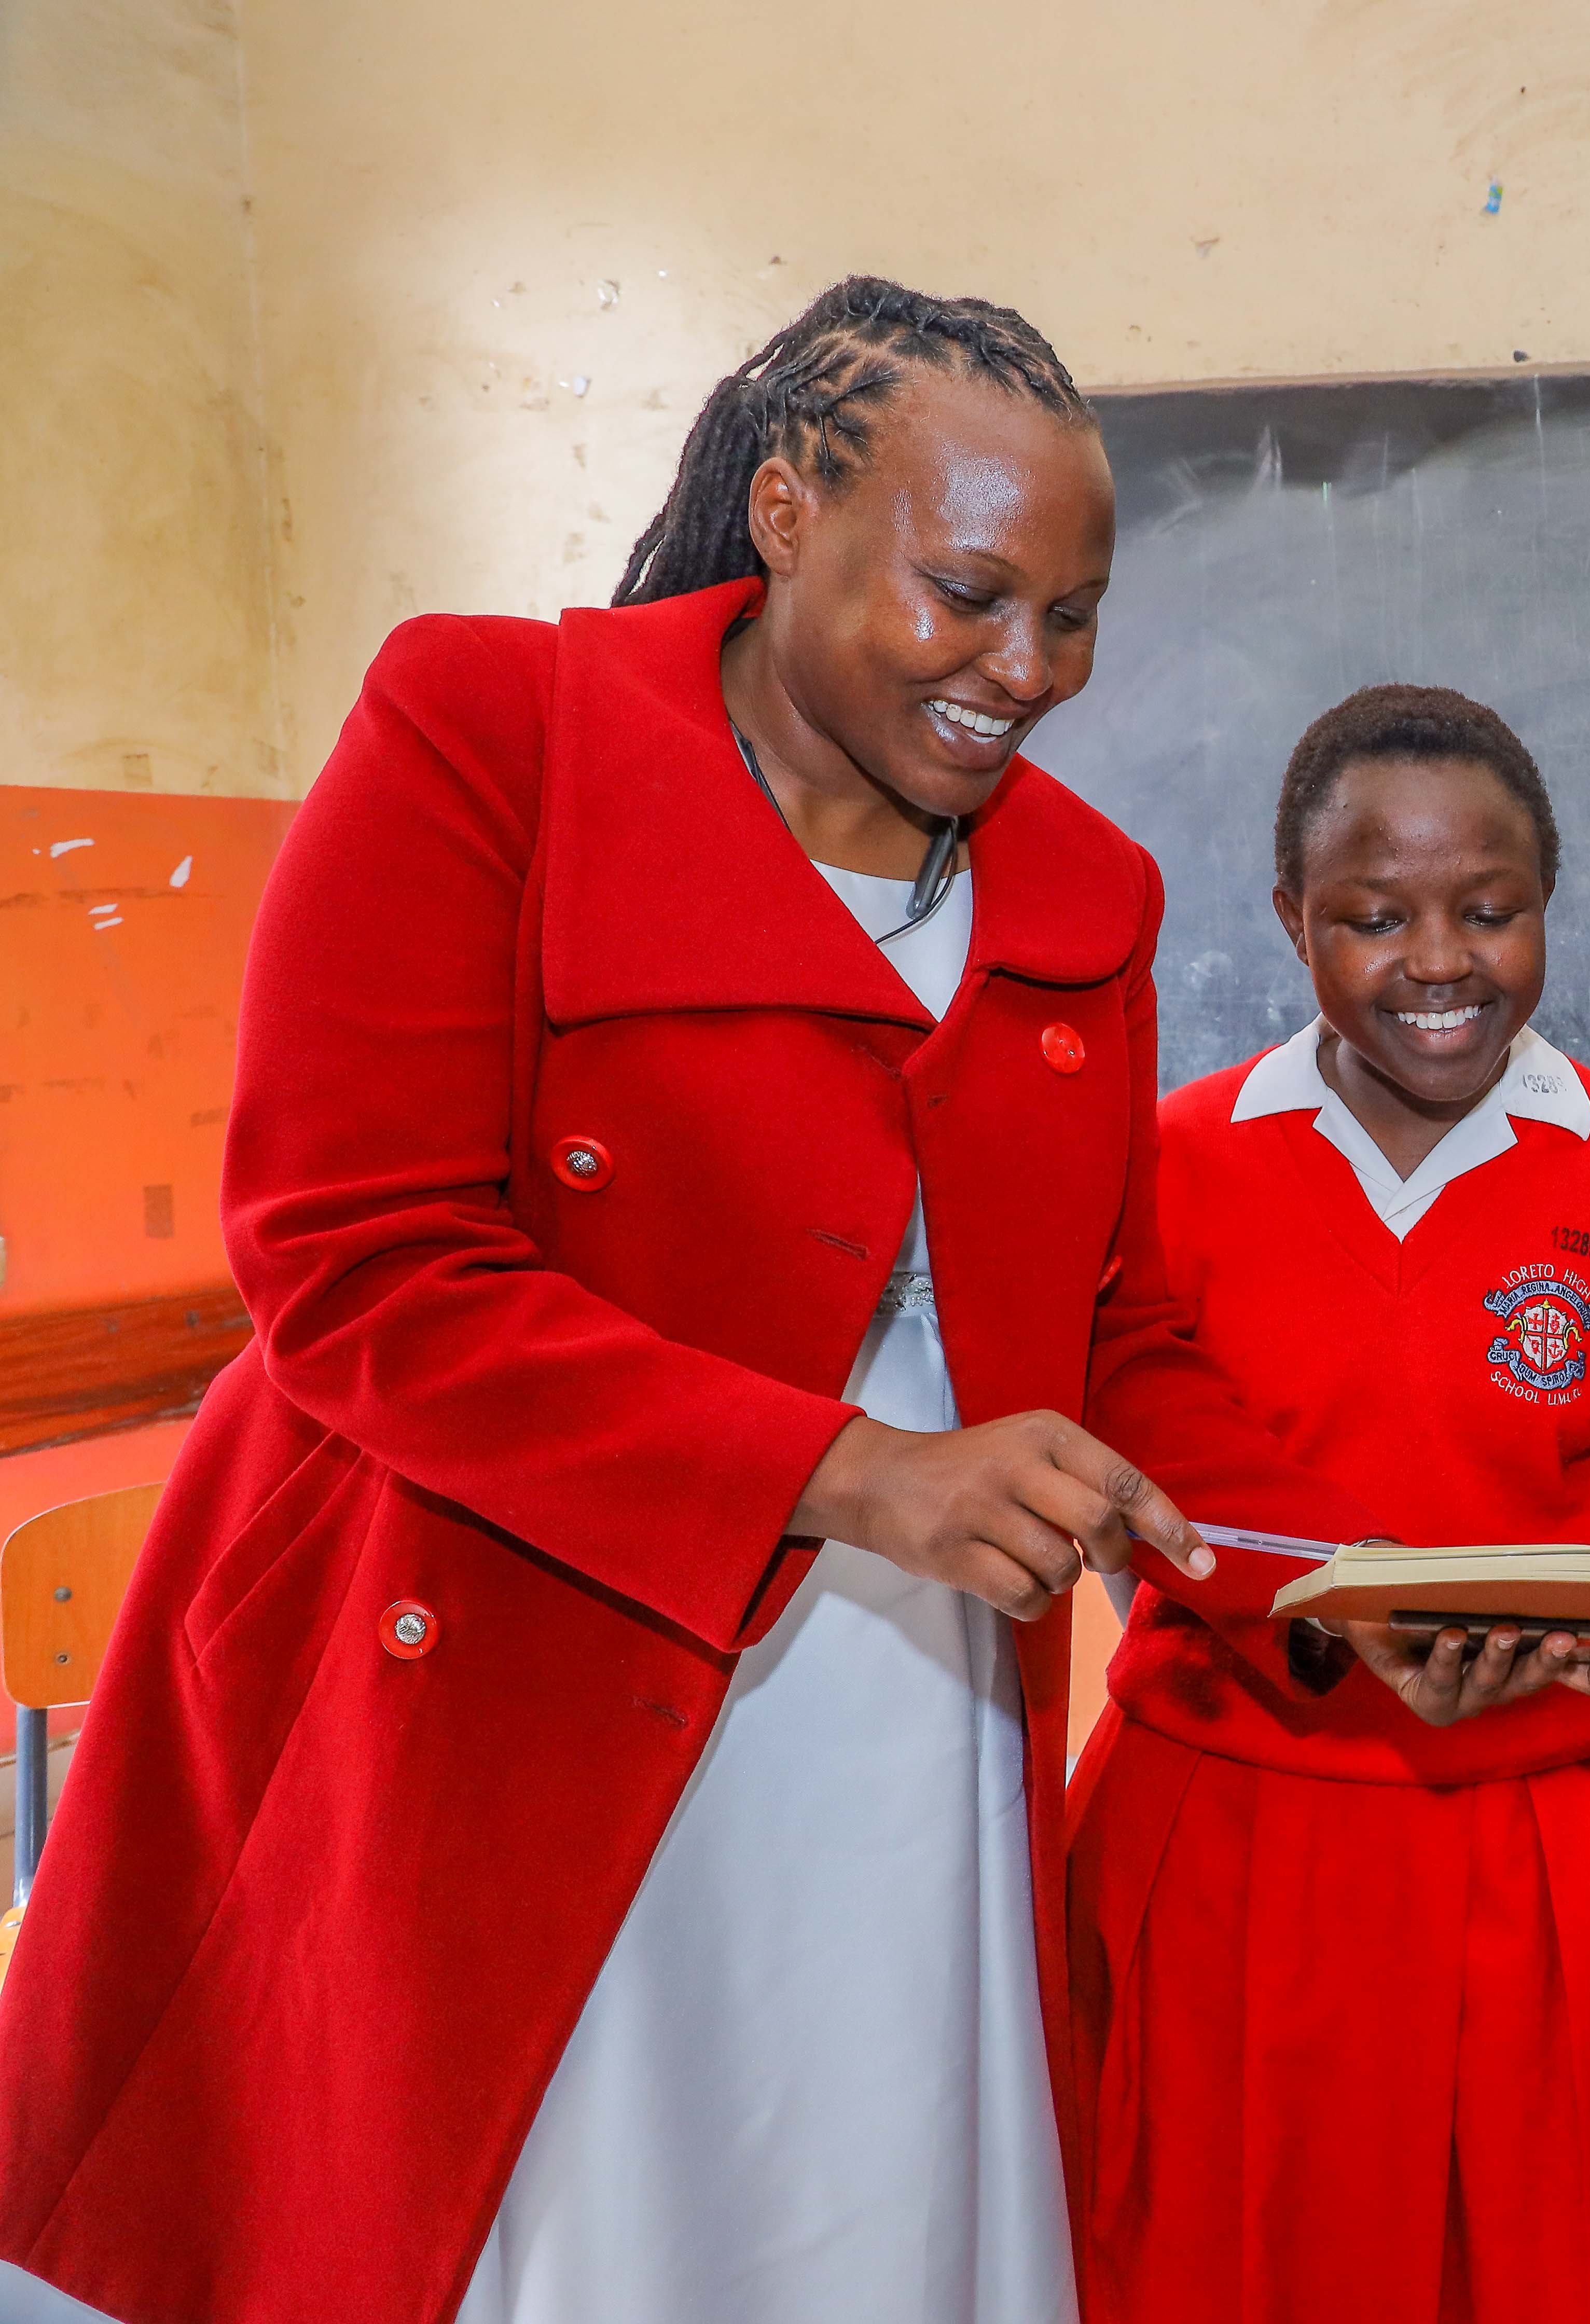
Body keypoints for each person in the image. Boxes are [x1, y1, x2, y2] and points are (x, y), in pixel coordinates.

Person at [0, 279, 1395, 2324]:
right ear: (782, 513)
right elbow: (358, 1261)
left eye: (1075, 614)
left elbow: (1112, 1323)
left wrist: (1326, 1584)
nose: (1027, 669)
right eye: (965, 591)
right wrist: (845, 1469)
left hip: (905, 1705)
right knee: (560, 2207)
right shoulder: (494, 738)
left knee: (855, 2207)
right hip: (505, 1670)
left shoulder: (1081, 892)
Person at [1067, 683, 1590, 2324]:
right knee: (1213, 2260)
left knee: (1527, 2267)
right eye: (1375, 917)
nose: (1441, 961)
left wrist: (1575, 1654)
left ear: (1545, 910)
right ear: (1294, 922)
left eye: (1491, 912)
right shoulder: (1169, 1163)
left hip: (1538, 1845)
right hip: (1234, 1831)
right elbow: (1120, 1518)